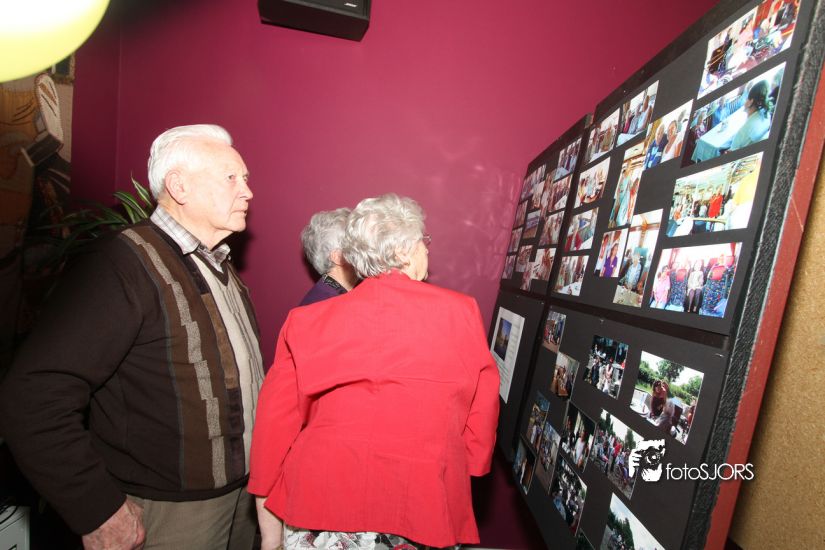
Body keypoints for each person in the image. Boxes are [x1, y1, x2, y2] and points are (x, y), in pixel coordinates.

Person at [0, 124, 264, 549]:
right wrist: (96, 507)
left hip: (240, 498)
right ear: (179, 186)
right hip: (172, 513)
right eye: (231, 177)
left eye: (246, 178)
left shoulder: (220, 266)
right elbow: (33, 394)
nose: (247, 191)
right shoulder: (123, 262)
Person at [248, 194, 499, 550]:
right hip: (422, 497)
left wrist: (269, 532)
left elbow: (274, 425)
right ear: (405, 251)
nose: (426, 250)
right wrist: (468, 464)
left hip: (320, 500)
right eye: (423, 241)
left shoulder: (306, 321)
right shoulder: (460, 313)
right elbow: (482, 405)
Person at [298, 208, 358, 305]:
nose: (365, 248)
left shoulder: (332, 290)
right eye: (357, 244)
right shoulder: (327, 305)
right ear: (338, 257)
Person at [728, 80, 772, 150]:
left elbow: (732, 149)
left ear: (751, 101)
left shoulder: (744, 131)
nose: (745, 102)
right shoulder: (767, 115)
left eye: (746, 99)